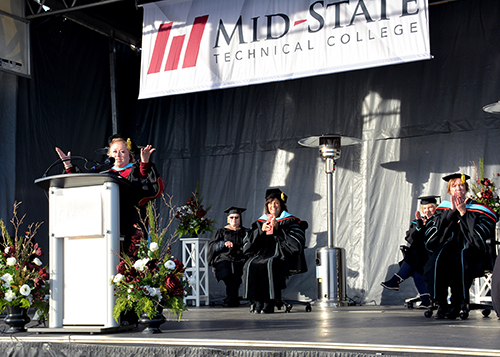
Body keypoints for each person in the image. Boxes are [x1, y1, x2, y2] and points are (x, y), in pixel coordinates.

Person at [55, 135, 164, 253]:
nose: (118, 155)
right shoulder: (103, 173)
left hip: (131, 220)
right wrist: (69, 167)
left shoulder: (134, 170)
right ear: (110, 155)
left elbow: (142, 181)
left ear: (130, 155)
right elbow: (83, 186)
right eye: (115, 152)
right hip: (105, 222)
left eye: (122, 151)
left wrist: (144, 163)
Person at [424, 173, 497, 319]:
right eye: (454, 186)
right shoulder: (443, 209)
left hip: (470, 248)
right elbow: (434, 233)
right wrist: (451, 212)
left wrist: (464, 213)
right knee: (438, 260)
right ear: (449, 190)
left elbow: (479, 236)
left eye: (461, 185)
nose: (458, 188)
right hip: (448, 246)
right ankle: (442, 305)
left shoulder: (477, 208)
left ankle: (458, 305)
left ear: (466, 188)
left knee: (461, 260)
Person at [242, 188, 307, 314]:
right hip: (262, 254)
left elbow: (296, 244)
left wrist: (278, 229)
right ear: (266, 205)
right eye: (270, 203)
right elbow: (247, 243)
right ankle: (257, 301)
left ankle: (269, 302)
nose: (273, 206)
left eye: (276, 203)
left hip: (282, 255)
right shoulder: (260, 222)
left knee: (270, 264)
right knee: (250, 264)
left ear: (281, 205)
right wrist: (261, 230)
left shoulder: (291, 221)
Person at [381, 196, 439, 308]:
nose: (427, 210)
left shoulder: (439, 221)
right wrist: (419, 225)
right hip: (421, 259)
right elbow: (411, 239)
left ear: (435, 208)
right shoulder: (418, 221)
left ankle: (396, 279)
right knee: (416, 268)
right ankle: (426, 299)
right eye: (425, 208)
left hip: (433, 255)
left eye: (430, 207)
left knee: (414, 254)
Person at [207, 206, 248, 307]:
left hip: (241, 257)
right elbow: (212, 246)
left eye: (236, 217)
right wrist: (223, 244)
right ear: (228, 219)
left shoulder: (246, 232)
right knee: (225, 269)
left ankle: (231, 297)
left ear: (240, 219)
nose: (234, 220)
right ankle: (232, 296)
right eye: (232, 217)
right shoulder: (221, 231)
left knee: (240, 271)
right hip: (225, 257)